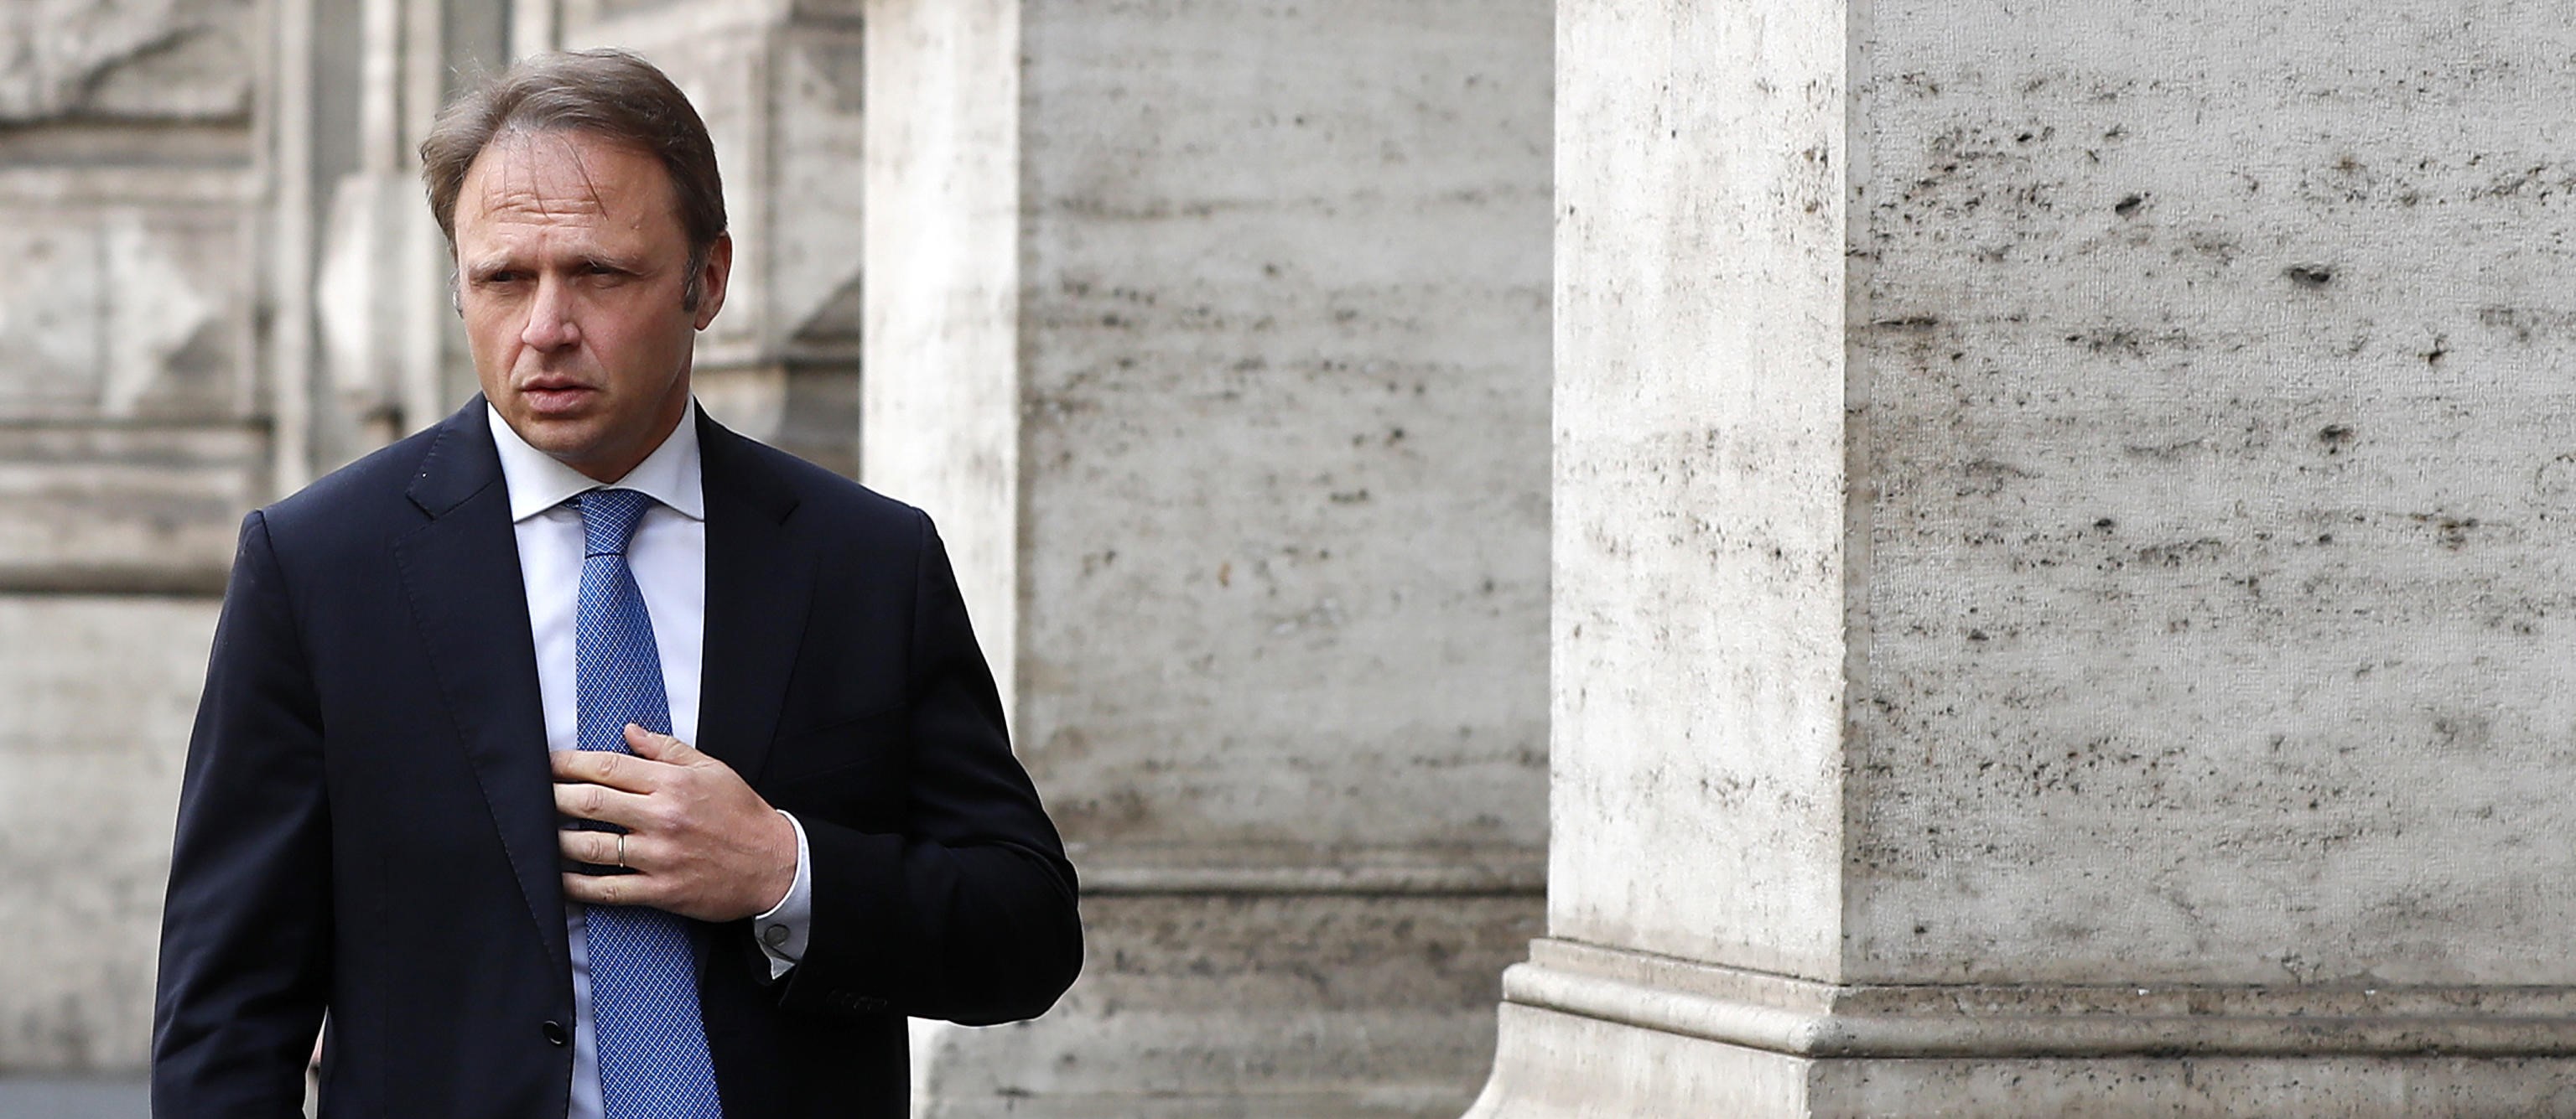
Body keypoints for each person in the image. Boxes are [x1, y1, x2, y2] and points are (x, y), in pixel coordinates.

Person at [150, 49, 1081, 1118]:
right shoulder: (320, 569)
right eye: (504, 277)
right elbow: (227, 1013)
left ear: (708, 280)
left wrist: (786, 870)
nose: (546, 327)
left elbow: (1028, 929)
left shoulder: (865, 562)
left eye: (599, 273)